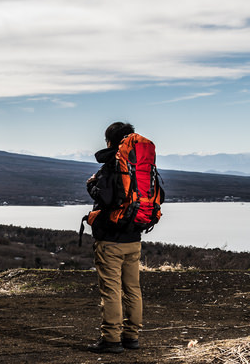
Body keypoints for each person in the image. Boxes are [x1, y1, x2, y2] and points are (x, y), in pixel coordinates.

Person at [85, 121, 142, 354]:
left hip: (110, 239)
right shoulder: (139, 164)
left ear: (110, 141)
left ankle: (111, 340)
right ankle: (132, 337)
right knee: (132, 289)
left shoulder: (113, 165)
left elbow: (107, 199)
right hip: (134, 237)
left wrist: (91, 186)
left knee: (111, 290)